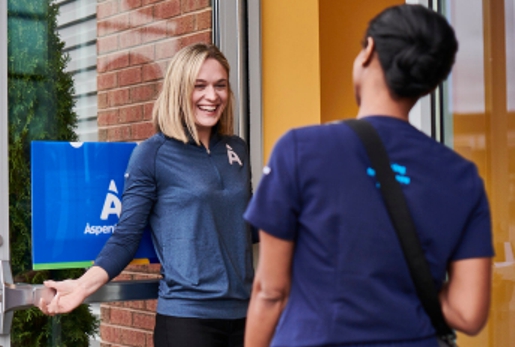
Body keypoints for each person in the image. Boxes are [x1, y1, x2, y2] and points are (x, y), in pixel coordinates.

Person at [243, 4, 493, 347]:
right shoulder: (462, 177)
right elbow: (468, 312)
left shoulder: (301, 150)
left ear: (369, 50)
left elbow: (270, 291)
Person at [38, 43, 255, 347]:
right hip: (188, 321)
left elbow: (248, 224)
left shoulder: (237, 149)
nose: (212, 96)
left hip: (247, 316)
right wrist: (82, 286)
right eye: (200, 86)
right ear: (180, 89)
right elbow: (126, 237)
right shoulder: (153, 153)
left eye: (220, 86)